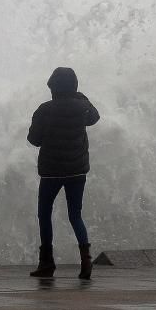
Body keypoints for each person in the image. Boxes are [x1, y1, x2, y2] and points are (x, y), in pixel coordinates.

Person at [27, 67, 100, 280]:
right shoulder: (82, 107)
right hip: (77, 171)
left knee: (45, 214)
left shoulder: (44, 109)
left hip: (51, 172)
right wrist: (81, 97)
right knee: (75, 215)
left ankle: (46, 263)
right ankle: (86, 260)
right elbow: (94, 118)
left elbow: (34, 140)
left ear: (53, 87)